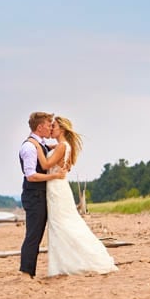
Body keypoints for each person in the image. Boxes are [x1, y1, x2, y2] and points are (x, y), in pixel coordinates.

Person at [31, 116, 117, 276]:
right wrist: (41, 144)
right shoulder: (62, 146)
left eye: (54, 126)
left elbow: (45, 165)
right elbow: (60, 159)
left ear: (62, 129)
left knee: (62, 224)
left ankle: (76, 262)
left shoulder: (62, 146)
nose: (51, 129)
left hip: (56, 188)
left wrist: (35, 145)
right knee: (61, 224)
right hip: (56, 187)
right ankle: (65, 263)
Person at [19, 112, 66, 278]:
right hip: (34, 196)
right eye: (48, 124)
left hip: (41, 195)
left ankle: (29, 271)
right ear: (40, 127)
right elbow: (31, 176)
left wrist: (60, 147)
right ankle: (26, 272)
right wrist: (54, 176)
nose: (50, 127)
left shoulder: (41, 144)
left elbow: (47, 151)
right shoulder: (29, 147)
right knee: (33, 234)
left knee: (37, 233)